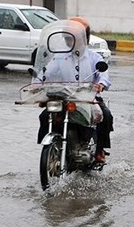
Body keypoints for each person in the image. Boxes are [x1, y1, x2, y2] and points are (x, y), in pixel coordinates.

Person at [35, 17, 114, 163]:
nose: (69, 42)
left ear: (84, 38)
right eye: (67, 38)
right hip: (64, 97)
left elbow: (103, 75)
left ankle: (99, 150)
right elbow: (46, 72)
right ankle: (49, 148)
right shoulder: (59, 57)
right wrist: (37, 83)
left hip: (88, 98)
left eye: (72, 38)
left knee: (106, 116)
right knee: (45, 116)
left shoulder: (94, 57)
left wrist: (101, 84)